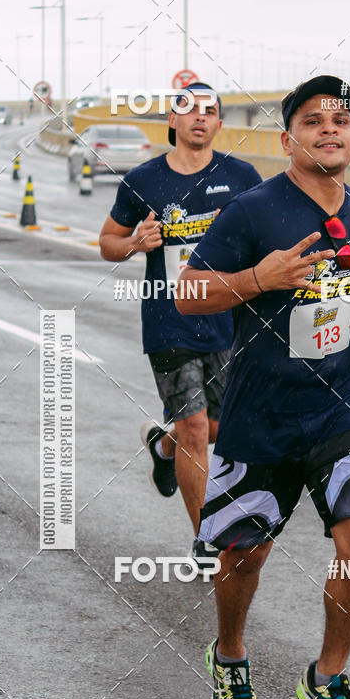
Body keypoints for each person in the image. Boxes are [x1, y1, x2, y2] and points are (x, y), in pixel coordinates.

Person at [176, 76, 350, 699]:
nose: (329, 129)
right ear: (287, 139)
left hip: (335, 404)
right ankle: (230, 656)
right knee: (245, 554)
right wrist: (256, 280)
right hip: (259, 411)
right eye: (312, 121)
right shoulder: (252, 211)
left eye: (340, 120)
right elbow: (187, 293)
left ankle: (327, 677)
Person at [99, 83, 262, 565]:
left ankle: (163, 446)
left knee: (217, 427)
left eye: (210, 111)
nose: (199, 117)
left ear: (219, 123)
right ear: (172, 120)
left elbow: (266, 238)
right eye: (189, 109)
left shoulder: (242, 176)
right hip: (168, 321)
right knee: (194, 426)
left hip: (228, 319)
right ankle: (205, 538)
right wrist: (135, 243)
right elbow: (108, 242)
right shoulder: (143, 180)